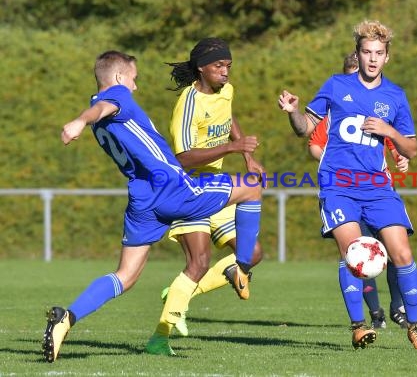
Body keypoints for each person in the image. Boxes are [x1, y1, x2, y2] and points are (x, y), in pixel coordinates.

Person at [42, 50, 262, 362]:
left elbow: (100, 110)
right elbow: (105, 105)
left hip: (142, 198)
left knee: (126, 275)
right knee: (252, 188)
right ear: (119, 78)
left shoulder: (101, 112)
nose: (135, 87)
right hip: (171, 185)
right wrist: (78, 121)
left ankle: (68, 319)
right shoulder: (115, 96)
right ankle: (240, 267)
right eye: (134, 79)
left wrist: (85, 120)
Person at [278, 19, 417, 350]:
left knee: (402, 253)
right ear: (358, 54)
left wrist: (389, 132)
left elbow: (412, 149)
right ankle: (359, 326)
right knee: (353, 252)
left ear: (387, 56)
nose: (372, 58)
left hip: (378, 187)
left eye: (379, 53)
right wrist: (293, 111)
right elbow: (305, 128)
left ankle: (416, 326)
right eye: (366, 52)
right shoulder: (336, 85)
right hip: (338, 183)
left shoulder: (395, 96)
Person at [156, 37, 264, 338]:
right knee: (199, 262)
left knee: (253, 252)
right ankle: (161, 336)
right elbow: (184, 158)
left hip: (214, 188)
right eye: (219, 66)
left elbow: (227, 117)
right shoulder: (188, 104)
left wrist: (248, 157)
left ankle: (183, 293)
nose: (226, 72)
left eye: (228, 66)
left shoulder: (225, 90)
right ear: (201, 68)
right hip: (188, 188)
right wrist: (232, 149)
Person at [308, 52, 408, 330]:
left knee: (393, 250)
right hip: (344, 189)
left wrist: (401, 156)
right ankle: (373, 313)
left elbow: (392, 143)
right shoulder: (333, 112)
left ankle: (398, 307)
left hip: (376, 190)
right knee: (360, 254)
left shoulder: (380, 108)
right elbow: (315, 144)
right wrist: (339, 162)